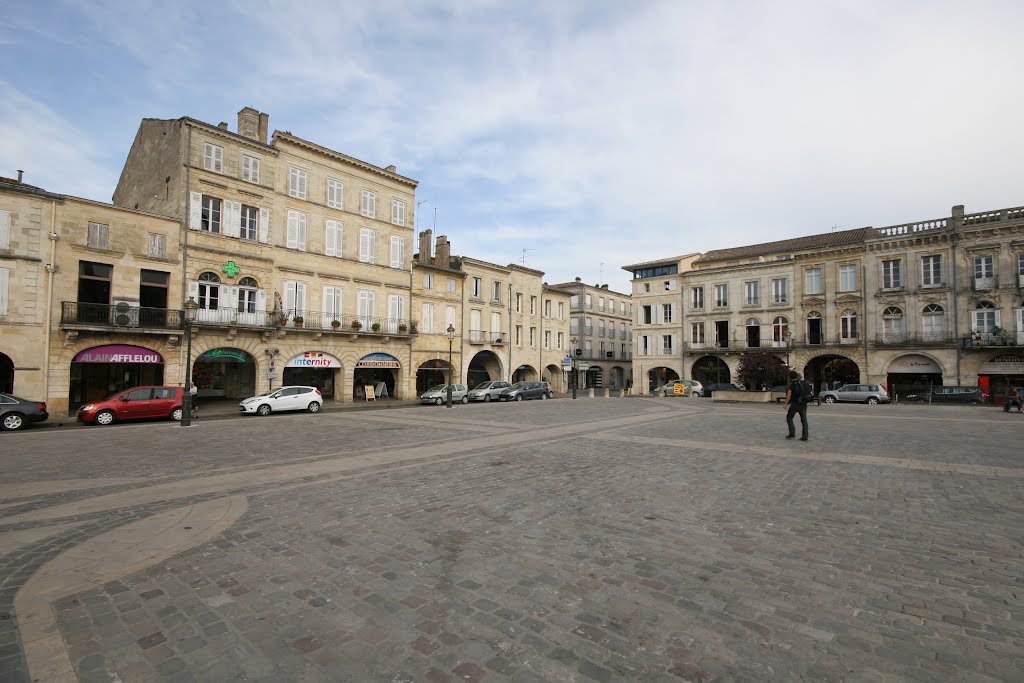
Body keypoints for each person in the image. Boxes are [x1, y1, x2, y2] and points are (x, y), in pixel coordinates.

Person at [784, 370, 809, 441]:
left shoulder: (791, 384)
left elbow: (789, 395)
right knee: (804, 420)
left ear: (790, 376)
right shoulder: (803, 382)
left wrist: (786, 403)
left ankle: (792, 433)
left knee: (789, 417)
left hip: (795, 404)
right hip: (803, 403)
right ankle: (805, 435)